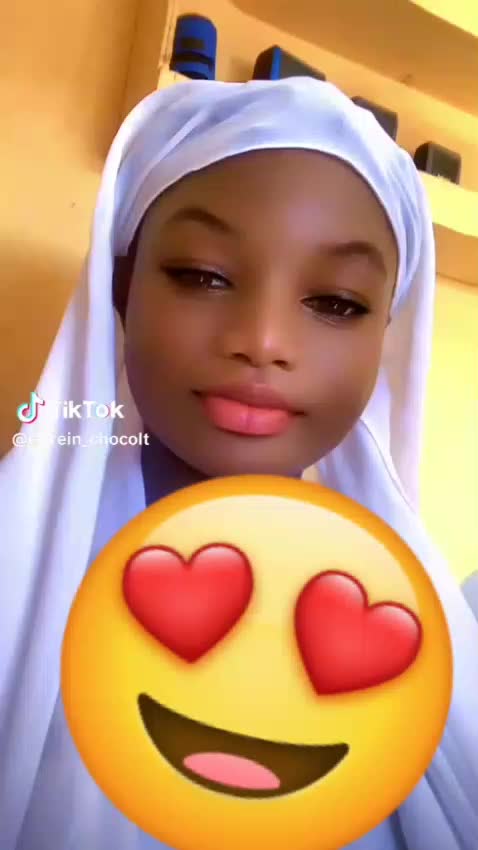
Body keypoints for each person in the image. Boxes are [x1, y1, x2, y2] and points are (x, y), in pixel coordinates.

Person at [0, 77, 476, 850]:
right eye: (203, 275)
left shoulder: (435, 641)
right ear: (121, 289)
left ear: (385, 334)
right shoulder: (12, 574)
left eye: (336, 302)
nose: (262, 340)